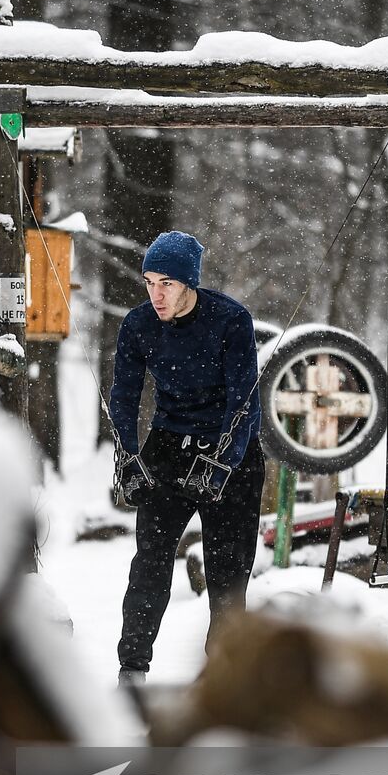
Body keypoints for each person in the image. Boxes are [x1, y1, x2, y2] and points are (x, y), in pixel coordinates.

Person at [110, 230, 265, 687]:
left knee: (228, 573)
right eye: (150, 282)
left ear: (189, 284)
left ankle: (223, 678)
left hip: (230, 454)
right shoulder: (138, 325)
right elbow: (123, 396)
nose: (156, 294)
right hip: (169, 447)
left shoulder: (230, 320)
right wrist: (128, 456)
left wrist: (225, 461)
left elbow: (245, 401)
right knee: (150, 562)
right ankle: (132, 669)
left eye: (168, 284)